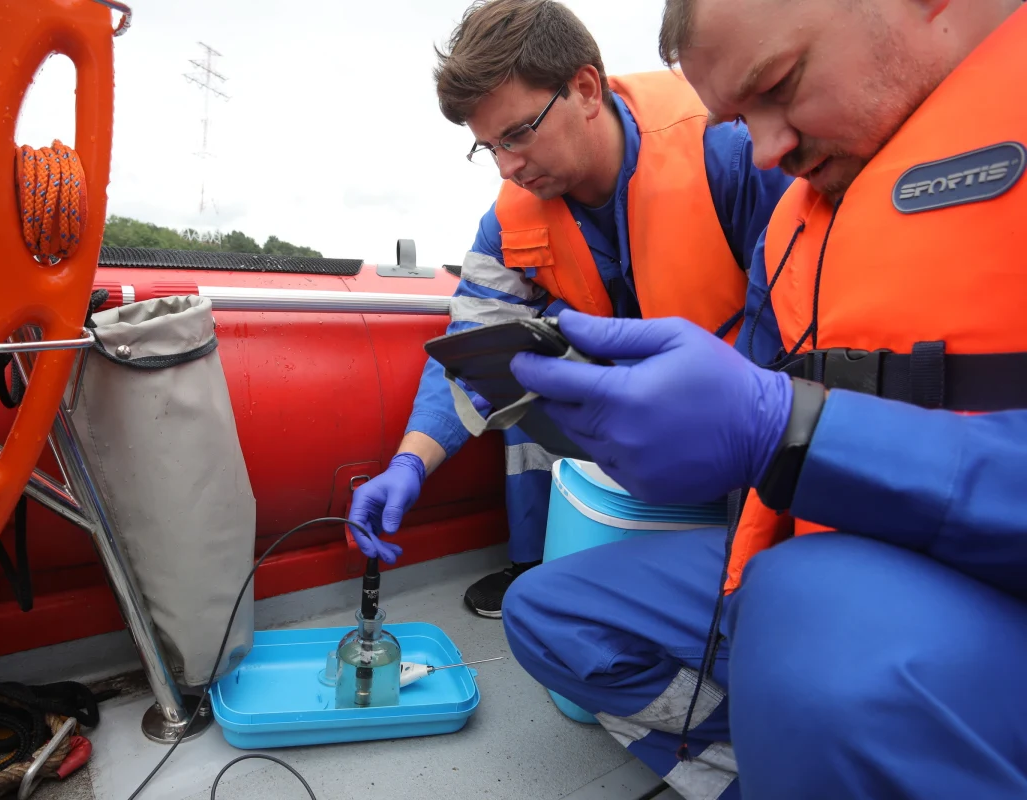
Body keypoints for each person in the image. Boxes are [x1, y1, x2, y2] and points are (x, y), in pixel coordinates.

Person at [501, 0, 1027, 798]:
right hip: (795, 545)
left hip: (971, 580)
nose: (769, 150)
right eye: (743, 119)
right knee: (546, 609)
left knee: (816, 639)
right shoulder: (789, 229)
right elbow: (755, 387)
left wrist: (788, 433)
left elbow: (776, 424)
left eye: (779, 84)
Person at [345, 0, 792, 620]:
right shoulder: (506, 221)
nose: (506, 167)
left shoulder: (730, 151)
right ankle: (536, 563)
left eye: (518, 134)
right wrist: (408, 465)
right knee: (521, 360)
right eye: (488, 147)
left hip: (747, 423)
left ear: (585, 88)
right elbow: (470, 347)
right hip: (636, 435)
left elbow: (805, 328)